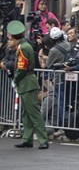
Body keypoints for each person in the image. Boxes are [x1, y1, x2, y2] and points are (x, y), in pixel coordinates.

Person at [8, 21, 49, 149]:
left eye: (10, 39)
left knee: (34, 112)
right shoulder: (24, 46)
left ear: (15, 38)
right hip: (26, 82)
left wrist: (15, 79)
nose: (8, 41)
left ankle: (43, 140)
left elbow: (21, 67)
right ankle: (27, 138)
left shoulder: (23, 47)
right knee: (26, 113)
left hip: (27, 82)